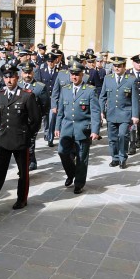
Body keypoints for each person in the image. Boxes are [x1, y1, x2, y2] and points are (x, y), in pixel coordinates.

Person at [0, 64, 41, 214]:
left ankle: (22, 199)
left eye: (11, 77)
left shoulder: (27, 95)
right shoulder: (0, 95)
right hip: (4, 140)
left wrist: (27, 135)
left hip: (20, 141)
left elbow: (36, 120)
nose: (9, 80)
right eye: (6, 77)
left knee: (23, 172)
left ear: (17, 78)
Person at [55, 62, 101, 194]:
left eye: (77, 74)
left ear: (82, 75)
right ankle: (71, 173)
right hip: (67, 128)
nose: (74, 77)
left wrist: (95, 130)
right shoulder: (65, 89)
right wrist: (57, 127)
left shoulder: (90, 90)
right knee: (62, 152)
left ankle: (79, 183)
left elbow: (95, 112)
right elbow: (60, 111)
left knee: (81, 158)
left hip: (82, 128)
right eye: (72, 74)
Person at [99, 56, 139, 169]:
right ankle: (115, 158)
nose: (116, 68)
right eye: (115, 66)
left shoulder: (131, 80)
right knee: (112, 138)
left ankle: (122, 158)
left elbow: (135, 99)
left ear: (124, 67)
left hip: (125, 114)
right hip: (111, 114)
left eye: (119, 66)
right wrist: (101, 111)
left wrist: (135, 115)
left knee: (123, 136)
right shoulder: (108, 79)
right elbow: (102, 97)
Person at [19, 62, 50, 170]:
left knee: (30, 141)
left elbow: (45, 104)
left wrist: (38, 117)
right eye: (25, 73)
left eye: (29, 72)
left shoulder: (40, 87)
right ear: (22, 73)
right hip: (19, 119)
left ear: (33, 73)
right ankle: (30, 161)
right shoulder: (18, 85)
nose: (27, 75)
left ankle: (29, 163)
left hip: (32, 120)